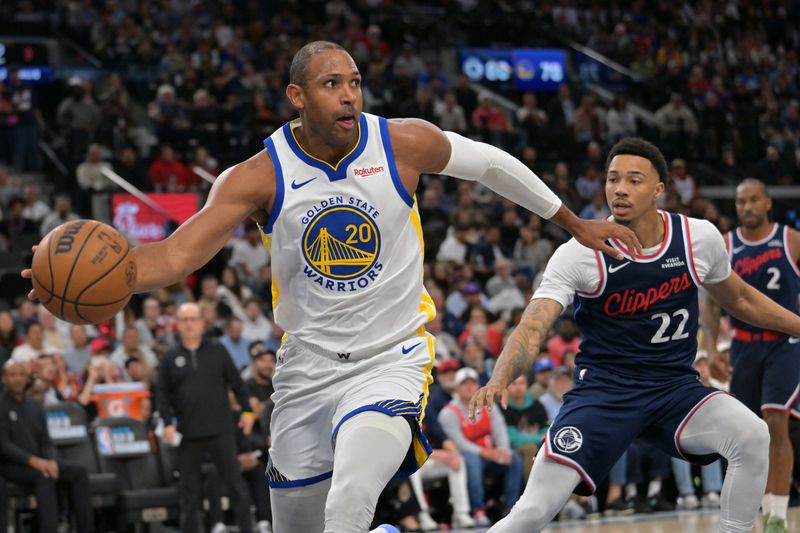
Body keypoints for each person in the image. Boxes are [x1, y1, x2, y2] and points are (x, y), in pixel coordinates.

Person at [24, 41, 639, 533]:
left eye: (354, 83)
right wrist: (88, 278)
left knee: (349, 498)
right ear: (296, 96)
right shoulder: (258, 176)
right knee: (297, 525)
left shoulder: (401, 142)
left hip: (392, 360)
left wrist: (574, 221)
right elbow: (178, 254)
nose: (348, 96)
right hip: (306, 370)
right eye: (330, 85)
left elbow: (492, 165)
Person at [470, 137, 800, 532]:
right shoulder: (579, 252)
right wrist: (501, 375)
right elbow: (534, 325)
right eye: (612, 179)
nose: (620, 189)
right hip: (605, 393)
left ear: (659, 189)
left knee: (752, 434)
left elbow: (741, 300)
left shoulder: (699, 238)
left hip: (675, 389)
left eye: (633, 180)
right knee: (533, 511)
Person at [702, 178, 800, 533]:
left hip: (784, 342)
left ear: (767, 202)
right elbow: (711, 303)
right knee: (746, 432)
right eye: (741, 201)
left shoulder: (790, 240)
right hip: (743, 346)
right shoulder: (726, 246)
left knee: (776, 420)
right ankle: (751, 511)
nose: (746, 207)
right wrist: (711, 348)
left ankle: (776, 514)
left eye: (753, 200)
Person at [156, 303, 255, 533]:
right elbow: (161, 393)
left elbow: (237, 383)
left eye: (193, 319)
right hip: (189, 434)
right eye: (184, 320)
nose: (189, 324)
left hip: (221, 429)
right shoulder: (171, 357)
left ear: (202, 322)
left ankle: (247, 529)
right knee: (189, 492)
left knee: (235, 485)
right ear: (178, 325)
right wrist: (167, 423)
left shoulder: (218, 351)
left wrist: (247, 410)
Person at [0, 360, 95, 532]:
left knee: (78, 472)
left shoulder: (34, 406)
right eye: (12, 375)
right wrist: (35, 462)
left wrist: (51, 461)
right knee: (44, 476)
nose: (18, 379)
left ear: (27, 378)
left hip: (39, 462)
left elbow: (46, 441)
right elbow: (4, 446)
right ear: (4, 379)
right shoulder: (1, 405)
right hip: (11, 466)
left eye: (21, 375)